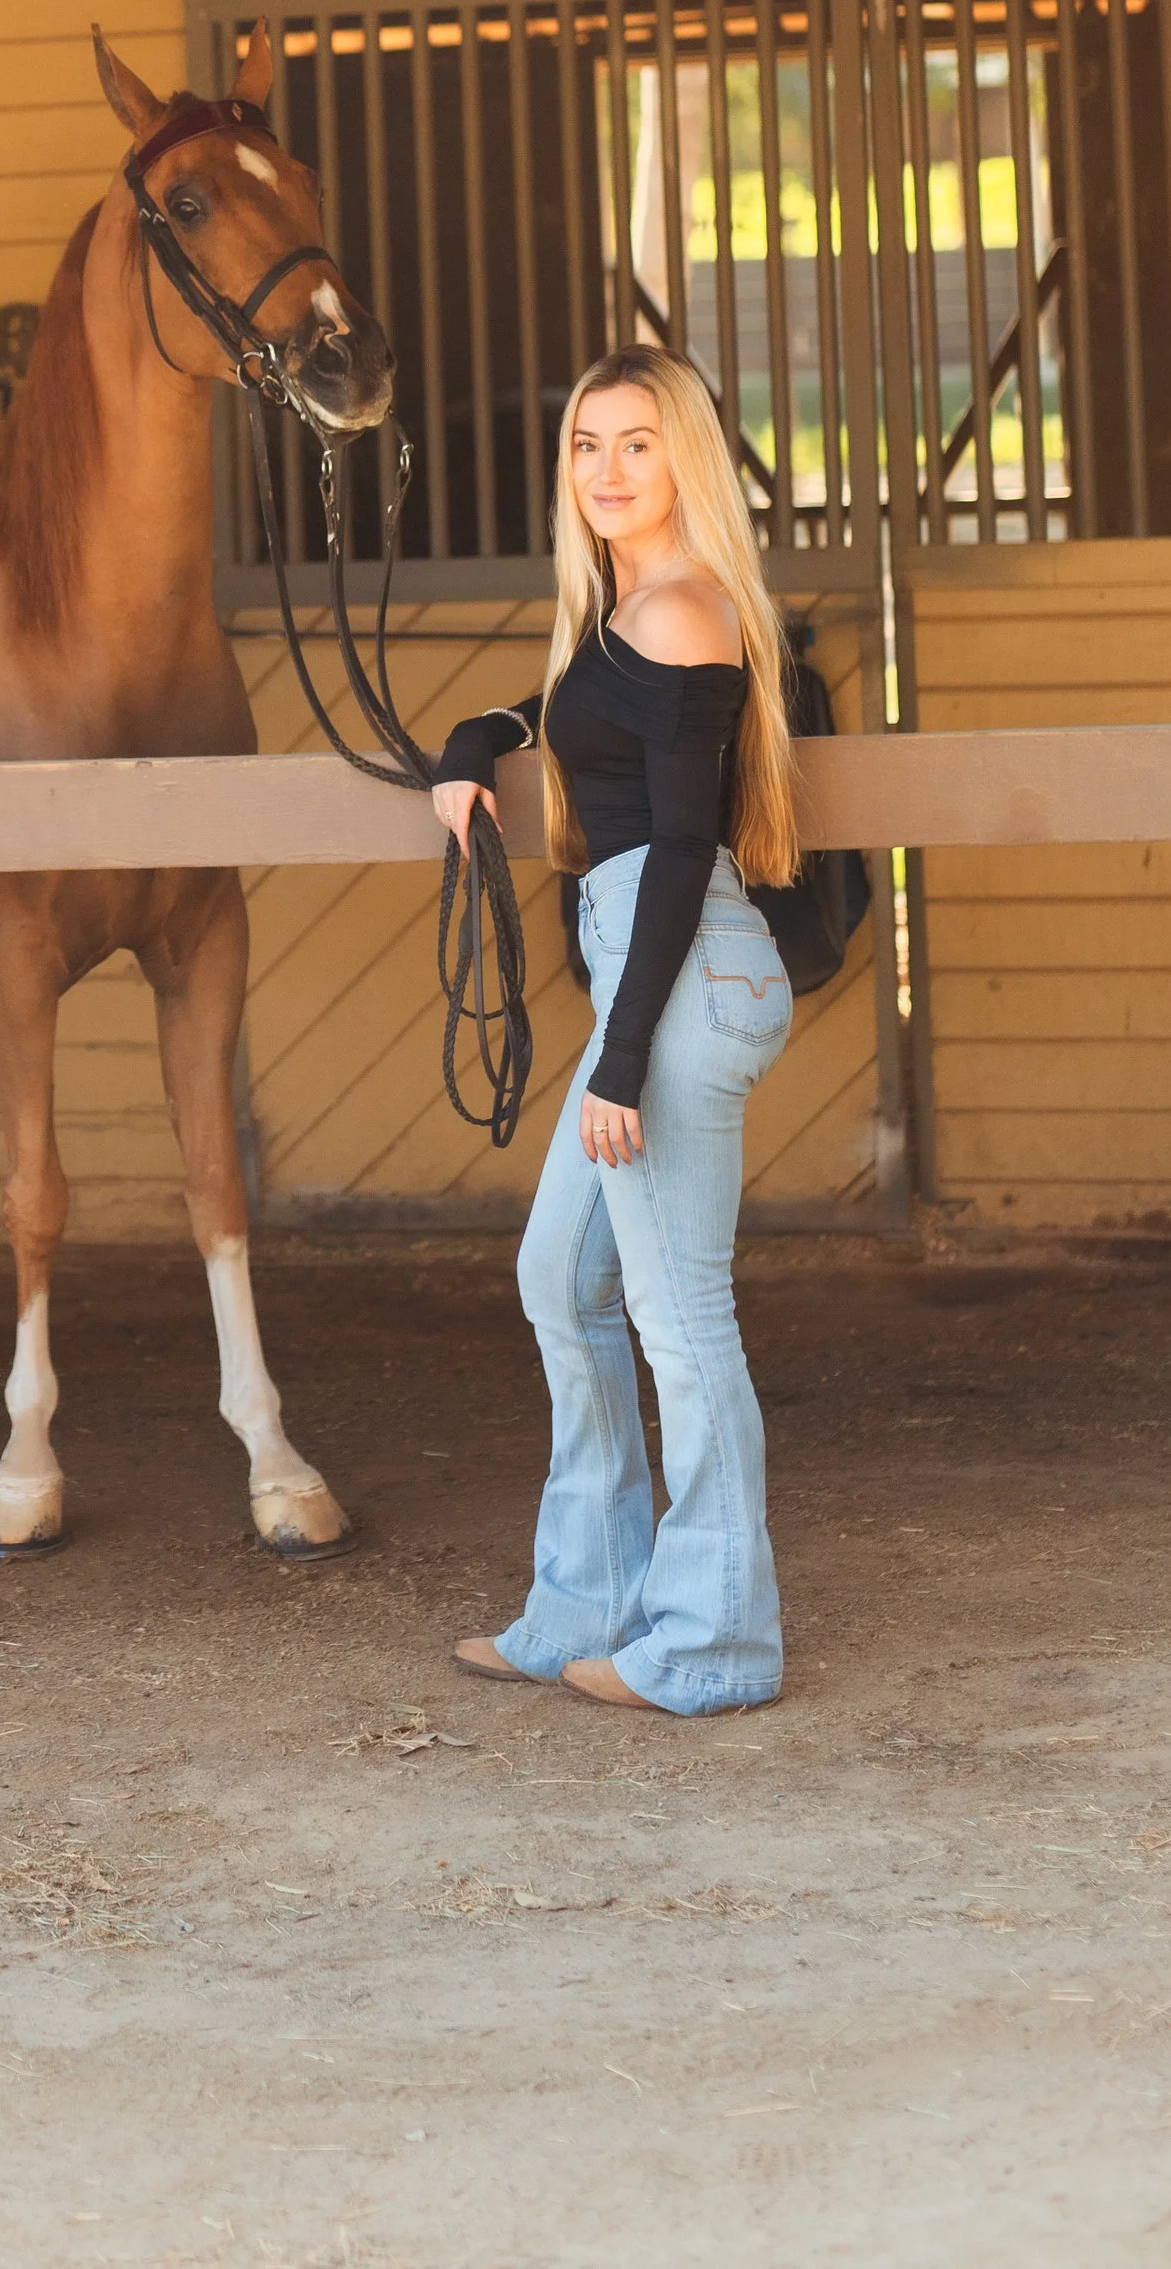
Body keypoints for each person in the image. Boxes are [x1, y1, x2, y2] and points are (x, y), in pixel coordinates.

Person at [430, 345, 798, 1716]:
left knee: (677, 1312)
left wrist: (624, 1056)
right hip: (656, 966)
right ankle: (593, 1598)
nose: (605, 468)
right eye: (587, 443)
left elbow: (688, 839)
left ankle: (712, 1641)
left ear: (683, 457)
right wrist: (476, 738)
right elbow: (573, 716)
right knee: (559, 1279)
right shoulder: (628, 611)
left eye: (637, 442)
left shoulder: (687, 611)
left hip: (679, 976)